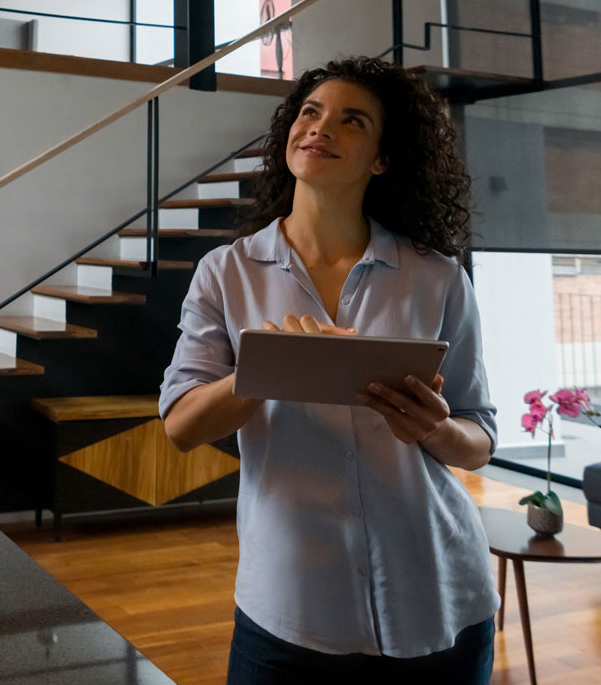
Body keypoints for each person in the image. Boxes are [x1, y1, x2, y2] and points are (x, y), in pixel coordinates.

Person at [160, 55, 498, 684]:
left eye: (352, 121)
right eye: (310, 112)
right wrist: (268, 369)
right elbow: (181, 426)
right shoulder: (226, 274)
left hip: (438, 600)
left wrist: (435, 428)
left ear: (382, 158)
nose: (320, 127)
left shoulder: (438, 277)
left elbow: (478, 442)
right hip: (290, 609)